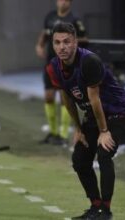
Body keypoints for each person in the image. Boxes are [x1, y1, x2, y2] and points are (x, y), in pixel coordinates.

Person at [47, 22, 125, 220]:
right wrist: (79, 129)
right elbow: (67, 98)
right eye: (57, 42)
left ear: (75, 42)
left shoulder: (89, 61)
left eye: (67, 41)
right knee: (79, 159)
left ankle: (106, 210)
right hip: (95, 114)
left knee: (104, 153)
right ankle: (95, 206)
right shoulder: (53, 67)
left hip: (117, 111)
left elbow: (95, 99)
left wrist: (104, 131)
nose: (62, 47)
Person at [35, 0, 87, 146]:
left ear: (69, 3)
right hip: (50, 63)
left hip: (67, 64)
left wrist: (70, 43)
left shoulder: (75, 20)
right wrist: (39, 45)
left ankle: (63, 135)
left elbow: (84, 38)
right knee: (49, 96)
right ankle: (53, 132)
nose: (61, 2)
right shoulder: (50, 16)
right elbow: (44, 33)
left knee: (65, 98)